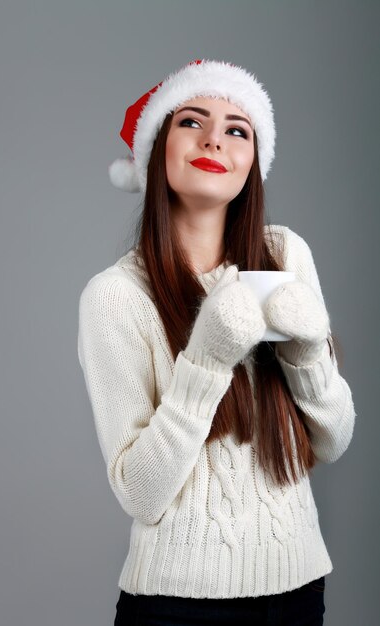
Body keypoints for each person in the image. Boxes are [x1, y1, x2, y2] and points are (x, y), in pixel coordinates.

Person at [77, 59, 356, 625]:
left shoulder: (285, 256)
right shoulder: (114, 297)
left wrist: (307, 356)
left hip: (298, 591)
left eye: (237, 129)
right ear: (158, 147)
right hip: (174, 607)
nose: (214, 140)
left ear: (253, 161)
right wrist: (206, 357)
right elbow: (140, 492)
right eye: (191, 122)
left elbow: (333, 441)